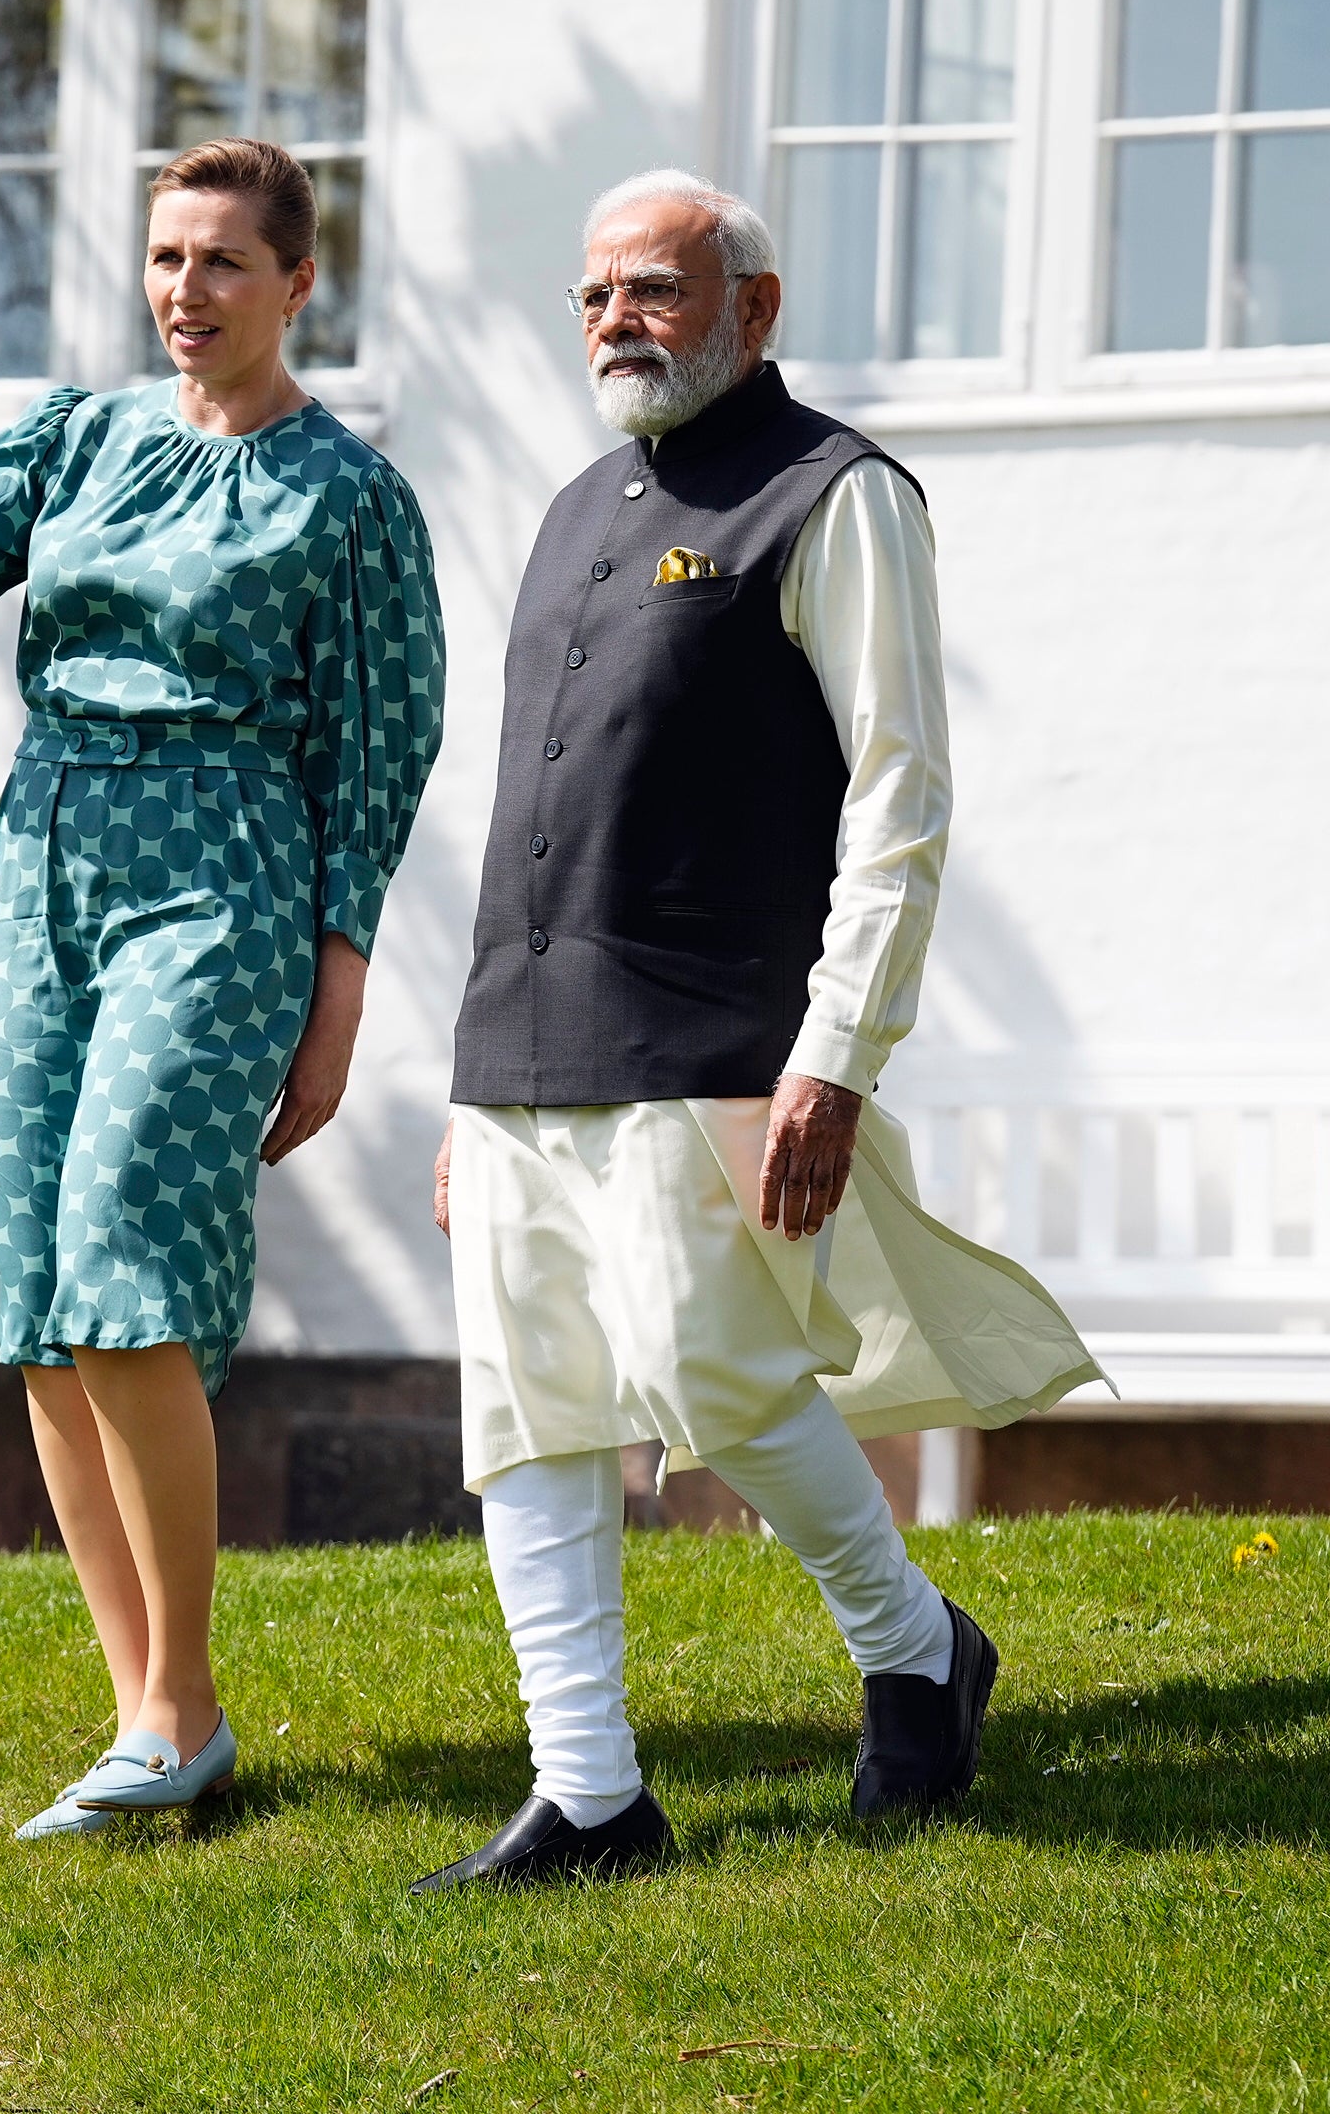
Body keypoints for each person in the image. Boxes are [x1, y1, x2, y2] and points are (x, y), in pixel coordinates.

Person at [410, 168, 1099, 1895]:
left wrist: (836, 1053)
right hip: (522, 1050)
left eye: (652, 289)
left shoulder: (837, 497)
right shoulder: (576, 508)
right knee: (531, 1411)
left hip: (715, 1037)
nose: (615, 323)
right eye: (592, 298)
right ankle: (589, 1791)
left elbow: (902, 795)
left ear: (754, 309)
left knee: (710, 1376)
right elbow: (536, 812)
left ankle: (919, 1646)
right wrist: (468, 1081)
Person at [0, 136, 445, 1841]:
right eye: (168, 260)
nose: (188, 294)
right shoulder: (80, 438)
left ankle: (185, 1709)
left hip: (225, 867)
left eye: (227, 263)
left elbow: (377, 760)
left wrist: (338, 997)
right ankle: (141, 1716)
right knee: (41, 1293)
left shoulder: (352, 500)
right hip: (40, 861)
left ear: (299, 282)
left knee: (127, 1266)